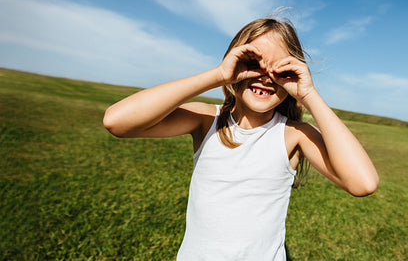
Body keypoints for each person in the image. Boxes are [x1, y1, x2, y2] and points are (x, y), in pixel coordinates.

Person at [103, 17, 379, 260]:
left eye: (280, 70)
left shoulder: (294, 134)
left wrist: (308, 94)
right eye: (252, 63)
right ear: (234, 62)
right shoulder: (207, 120)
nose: (266, 77)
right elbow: (117, 122)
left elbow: (363, 183)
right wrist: (219, 75)